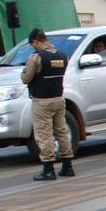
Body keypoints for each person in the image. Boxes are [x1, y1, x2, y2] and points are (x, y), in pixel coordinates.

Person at [21, 28, 74, 181]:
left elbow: (26, 78)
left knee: (44, 135)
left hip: (42, 101)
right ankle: (67, 166)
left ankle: (48, 169)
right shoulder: (61, 56)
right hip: (59, 99)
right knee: (62, 132)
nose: (33, 47)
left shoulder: (36, 58)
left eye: (33, 44)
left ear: (36, 41)